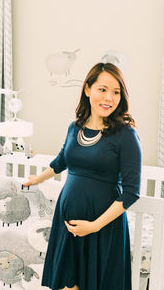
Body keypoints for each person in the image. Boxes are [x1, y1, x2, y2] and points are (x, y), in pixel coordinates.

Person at [23, 62, 142, 290]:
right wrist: (36, 179)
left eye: (116, 92)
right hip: (66, 225)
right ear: (88, 90)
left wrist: (95, 226)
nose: (109, 98)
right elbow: (61, 161)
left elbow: (131, 192)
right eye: (103, 89)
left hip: (102, 228)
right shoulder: (74, 127)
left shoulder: (126, 135)